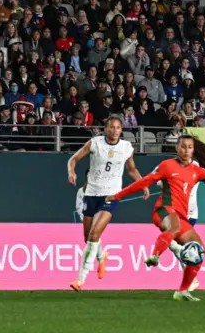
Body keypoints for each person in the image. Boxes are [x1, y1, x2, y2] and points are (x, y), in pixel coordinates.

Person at [107, 134, 205, 301]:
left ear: (193, 150)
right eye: (183, 146)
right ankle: (155, 256)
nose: (186, 150)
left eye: (189, 147)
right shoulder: (166, 166)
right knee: (174, 227)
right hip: (163, 210)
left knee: (200, 249)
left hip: (181, 217)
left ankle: (182, 291)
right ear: (177, 147)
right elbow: (143, 182)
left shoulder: (196, 171)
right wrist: (118, 195)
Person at [65, 115, 147, 291]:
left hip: (111, 196)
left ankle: (80, 279)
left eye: (118, 128)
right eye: (111, 127)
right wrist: (71, 171)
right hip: (91, 194)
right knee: (87, 238)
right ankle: (102, 256)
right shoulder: (95, 143)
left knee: (94, 235)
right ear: (105, 128)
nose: (115, 130)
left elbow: (131, 169)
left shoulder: (126, 147)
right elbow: (73, 159)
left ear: (121, 130)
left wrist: (143, 184)